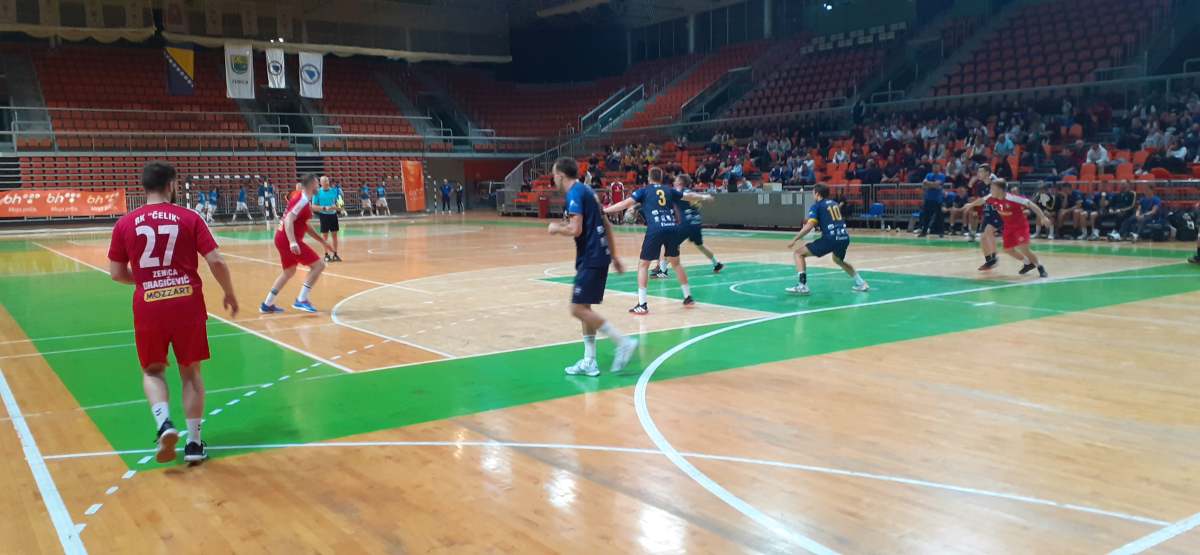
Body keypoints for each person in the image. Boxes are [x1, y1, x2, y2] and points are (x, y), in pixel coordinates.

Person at [106, 161, 239, 464]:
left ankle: (164, 422)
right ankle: (194, 443)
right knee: (190, 372)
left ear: (144, 187)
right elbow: (216, 260)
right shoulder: (189, 217)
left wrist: (148, 280)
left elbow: (116, 273)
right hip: (187, 303)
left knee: (153, 370)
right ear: (171, 184)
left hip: (149, 305)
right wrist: (229, 292)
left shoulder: (125, 223)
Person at [546, 157, 638, 377]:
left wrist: (556, 228)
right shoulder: (588, 192)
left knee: (577, 309)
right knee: (584, 308)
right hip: (599, 255)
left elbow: (575, 229)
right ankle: (590, 361)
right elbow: (606, 225)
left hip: (591, 256)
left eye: (554, 175)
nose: (553, 179)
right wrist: (614, 256)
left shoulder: (575, 194)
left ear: (560, 175)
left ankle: (623, 342)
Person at [603, 166, 713, 314]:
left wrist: (605, 210)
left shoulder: (644, 191)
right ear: (661, 178)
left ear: (649, 178)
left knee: (643, 265)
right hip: (672, 227)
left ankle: (642, 304)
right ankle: (688, 297)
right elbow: (689, 196)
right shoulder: (668, 190)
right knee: (676, 263)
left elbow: (624, 204)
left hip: (656, 228)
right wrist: (704, 197)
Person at [260, 174, 334, 314]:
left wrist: (322, 241)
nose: (319, 186)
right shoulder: (302, 199)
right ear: (311, 184)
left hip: (281, 238)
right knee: (319, 265)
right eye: (317, 183)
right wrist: (293, 242)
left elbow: (305, 225)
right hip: (287, 239)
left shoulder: (304, 199)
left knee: (289, 271)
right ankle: (301, 299)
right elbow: (289, 219)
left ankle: (267, 304)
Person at [785, 184, 870, 295]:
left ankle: (802, 285)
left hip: (831, 238)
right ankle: (861, 283)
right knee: (838, 260)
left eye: (813, 193)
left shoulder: (817, 206)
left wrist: (795, 239)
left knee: (798, 253)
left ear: (817, 194)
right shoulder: (834, 203)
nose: (813, 195)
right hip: (844, 237)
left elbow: (810, 226)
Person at [961, 179, 1051, 277]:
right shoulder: (992, 197)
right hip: (1008, 226)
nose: (990, 190)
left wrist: (1043, 217)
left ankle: (1040, 267)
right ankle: (1028, 263)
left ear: (1000, 190)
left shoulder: (1012, 198)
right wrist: (971, 205)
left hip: (1020, 226)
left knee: (1023, 248)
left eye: (992, 188)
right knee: (1008, 249)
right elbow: (981, 200)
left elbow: (1030, 204)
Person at [657, 174, 724, 276]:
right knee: (700, 245)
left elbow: (690, 197)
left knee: (667, 244)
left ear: (680, 182)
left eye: (676, 180)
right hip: (696, 223)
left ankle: (662, 270)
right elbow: (695, 201)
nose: (674, 182)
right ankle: (716, 263)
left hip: (686, 224)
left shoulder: (680, 192)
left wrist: (704, 197)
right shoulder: (689, 192)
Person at [314, 177, 342, 262]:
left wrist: (335, 207)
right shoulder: (317, 192)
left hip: (333, 215)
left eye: (327, 181)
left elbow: (340, 206)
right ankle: (326, 255)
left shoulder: (334, 191)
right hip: (324, 216)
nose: (326, 182)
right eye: (324, 181)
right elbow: (313, 206)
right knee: (324, 236)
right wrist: (324, 208)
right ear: (320, 183)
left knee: (334, 235)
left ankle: (335, 254)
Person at [917, 163, 948, 237]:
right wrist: (934, 185)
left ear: (939, 168)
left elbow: (937, 184)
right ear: (932, 168)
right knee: (926, 217)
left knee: (939, 217)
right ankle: (924, 232)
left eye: (937, 167)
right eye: (934, 167)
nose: (935, 168)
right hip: (928, 198)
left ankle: (941, 232)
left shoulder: (942, 176)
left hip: (937, 199)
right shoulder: (928, 175)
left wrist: (928, 184)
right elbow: (924, 184)